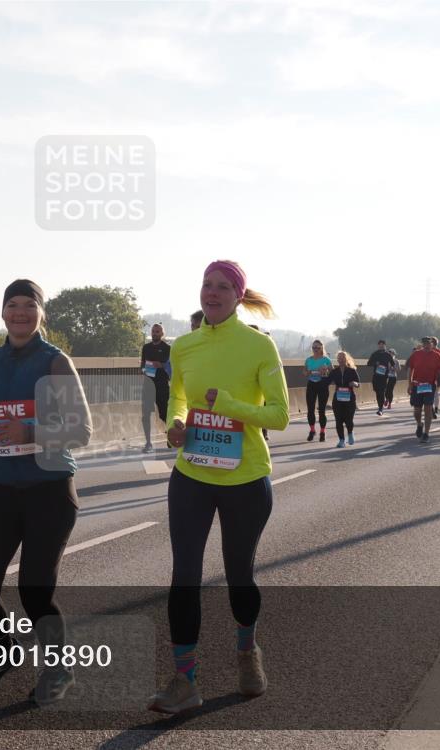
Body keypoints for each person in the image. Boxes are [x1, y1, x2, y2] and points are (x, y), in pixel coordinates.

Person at [148, 260, 289, 715]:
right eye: (207, 284)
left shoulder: (259, 347)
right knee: (183, 576)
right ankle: (184, 680)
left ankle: (248, 652)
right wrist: (176, 423)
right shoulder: (184, 346)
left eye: (223, 286)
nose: (212, 292)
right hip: (191, 473)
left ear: (238, 295)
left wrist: (228, 406)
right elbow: (179, 398)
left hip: (245, 478)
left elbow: (280, 416)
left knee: (238, 577)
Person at [0, 279, 92, 706]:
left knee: (34, 591)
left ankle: (59, 668)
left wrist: (29, 430)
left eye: (29, 305)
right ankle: (4, 646)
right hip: (0, 488)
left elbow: (81, 430)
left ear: (40, 312)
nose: (20, 313)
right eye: (12, 305)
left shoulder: (55, 362)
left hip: (49, 489)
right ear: (2, 311)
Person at [406, 336, 440, 444]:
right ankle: (419, 424)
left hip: (429, 386)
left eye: (429, 343)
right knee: (417, 411)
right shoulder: (416, 354)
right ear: (422, 344)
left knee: (428, 410)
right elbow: (410, 369)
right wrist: (409, 384)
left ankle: (426, 433)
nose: (427, 345)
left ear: (432, 344)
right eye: (425, 343)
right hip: (417, 385)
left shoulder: (437, 356)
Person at [140, 323, 172, 453]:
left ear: (162, 334)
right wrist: (143, 369)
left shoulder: (167, 348)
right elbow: (142, 363)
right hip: (148, 384)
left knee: (165, 414)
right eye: (153, 331)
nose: (155, 333)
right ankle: (148, 443)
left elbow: (170, 366)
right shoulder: (146, 347)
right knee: (145, 415)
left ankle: (170, 438)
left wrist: (162, 365)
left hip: (162, 385)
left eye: (157, 331)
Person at [329, 351, 360, 447]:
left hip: (349, 399)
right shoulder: (334, 371)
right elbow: (328, 381)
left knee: (348, 420)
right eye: (339, 358)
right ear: (337, 360)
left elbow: (358, 384)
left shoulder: (352, 371)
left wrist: (354, 383)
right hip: (338, 399)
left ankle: (350, 433)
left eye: (343, 357)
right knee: (338, 420)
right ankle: (341, 440)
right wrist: (329, 379)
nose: (341, 359)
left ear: (346, 359)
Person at [303, 340, 331, 442]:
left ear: (321, 348)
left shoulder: (326, 359)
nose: (315, 350)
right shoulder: (308, 360)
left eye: (317, 348)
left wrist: (325, 370)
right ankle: (312, 430)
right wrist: (308, 372)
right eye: (314, 348)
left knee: (321, 410)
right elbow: (304, 372)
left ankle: (322, 432)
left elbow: (331, 372)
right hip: (311, 384)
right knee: (310, 409)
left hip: (322, 385)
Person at [366, 340, 395, 416]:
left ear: (385, 346)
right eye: (380, 344)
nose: (381, 346)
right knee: (377, 392)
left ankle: (380, 408)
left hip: (384, 377)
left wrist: (390, 367)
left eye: (383, 344)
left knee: (381, 392)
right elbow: (368, 363)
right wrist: (375, 363)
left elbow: (393, 364)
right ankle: (380, 405)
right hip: (376, 376)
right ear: (378, 345)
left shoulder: (387, 355)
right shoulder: (375, 354)